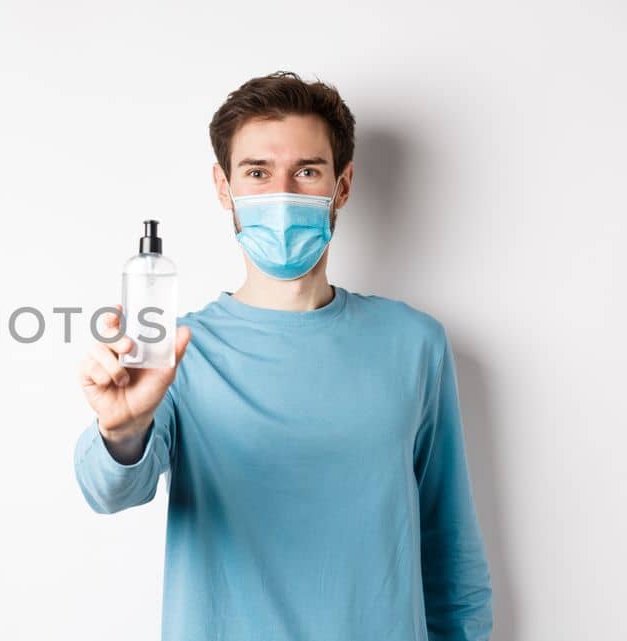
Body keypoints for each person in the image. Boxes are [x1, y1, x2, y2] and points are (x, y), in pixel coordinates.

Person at [73, 71, 493, 640]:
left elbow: (450, 550)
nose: (283, 193)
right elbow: (111, 490)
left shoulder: (413, 343)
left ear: (341, 187)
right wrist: (122, 429)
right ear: (224, 189)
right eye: (257, 173)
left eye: (307, 171)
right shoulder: (173, 353)